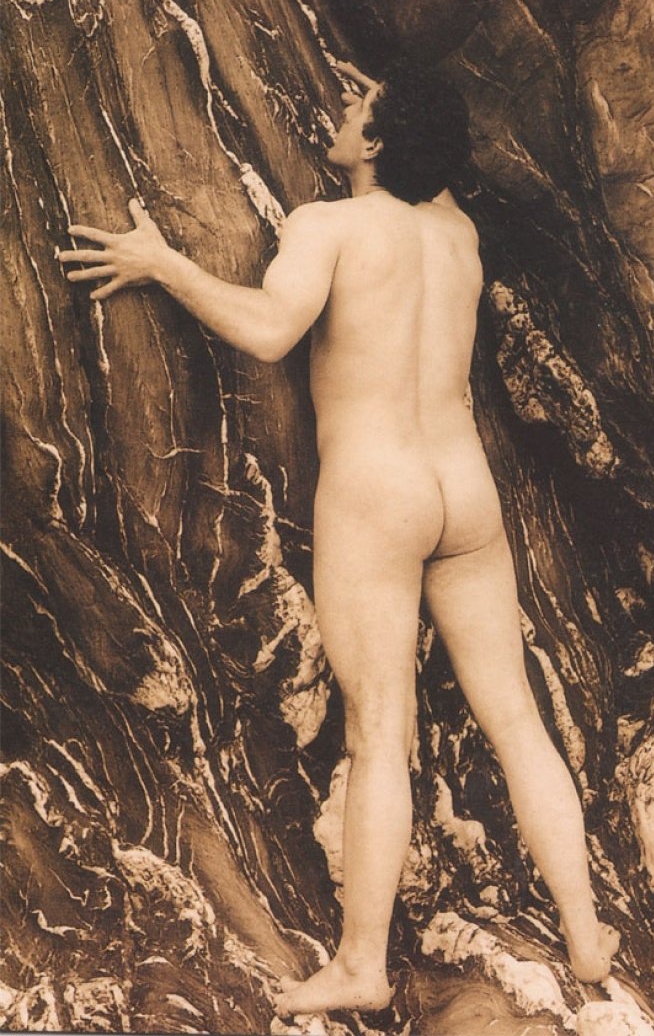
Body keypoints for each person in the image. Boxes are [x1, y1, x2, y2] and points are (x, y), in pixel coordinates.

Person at [59, 60, 620, 1016]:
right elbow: (429, 172)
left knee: (379, 733)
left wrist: (163, 263)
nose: (340, 108)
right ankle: (586, 934)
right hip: (464, 491)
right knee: (517, 719)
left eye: (356, 106)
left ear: (380, 141)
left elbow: (271, 329)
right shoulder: (456, 234)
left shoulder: (328, 225)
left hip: (377, 492)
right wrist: (403, 110)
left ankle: (362, 965)